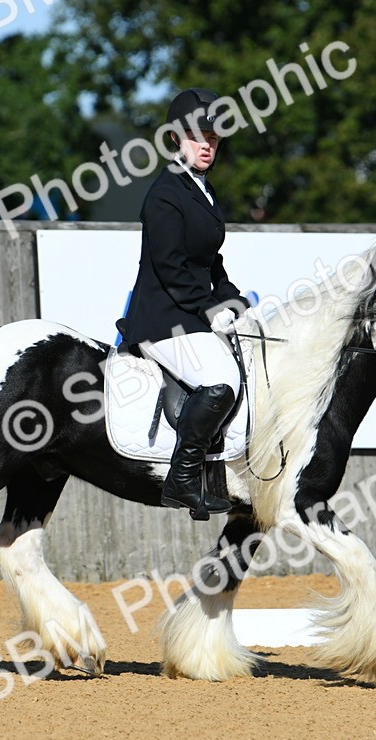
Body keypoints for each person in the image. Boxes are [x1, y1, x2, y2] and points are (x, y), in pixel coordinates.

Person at [116, 87, 250, 520]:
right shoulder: (165, 194)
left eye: (213, 137)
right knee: (221, 382)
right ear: (176, 138)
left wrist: (233, 299)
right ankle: (183, 478)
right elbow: (171, 266)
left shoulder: (203, 191)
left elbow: (211, 261)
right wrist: (210, 309)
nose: (207, 145)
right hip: (162, 320)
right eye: (197, 137)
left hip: (188, 314)